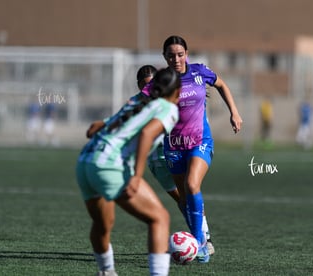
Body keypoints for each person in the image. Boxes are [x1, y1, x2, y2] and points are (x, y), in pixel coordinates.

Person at [86, 65, 215, 255]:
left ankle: (203, 238)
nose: (155, 89)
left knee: (190, 191)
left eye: (156, 84)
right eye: (147, 85)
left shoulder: (170, 104)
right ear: (141, 86)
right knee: (180, 200)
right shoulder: (147, 102)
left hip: (172, 151)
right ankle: (199, 240)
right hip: (157, 161)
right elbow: (131, 121)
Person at [144, 35, 243, 263]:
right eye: (171, 56)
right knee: (185, 199)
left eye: (180, 54)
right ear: (165, 58)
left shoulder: (199, 72)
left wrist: (234, 112)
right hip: (174, 148)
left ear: (186, 54)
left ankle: (199, 244)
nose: (176, 59)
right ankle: (200, 243)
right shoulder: (162, 81)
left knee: (192, 184)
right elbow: (140, 99)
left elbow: (221, 84)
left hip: (200, 142)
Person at [76, 67, 180, 276]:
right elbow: (146, 133)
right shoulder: (168, 108)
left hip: (86, 161)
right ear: (177, 92)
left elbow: (96, 127)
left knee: (103, 222)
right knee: (159, 218)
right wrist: (137, 175)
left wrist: (100, 127)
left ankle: (107, 272)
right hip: (109, 165)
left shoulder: (138, 102)